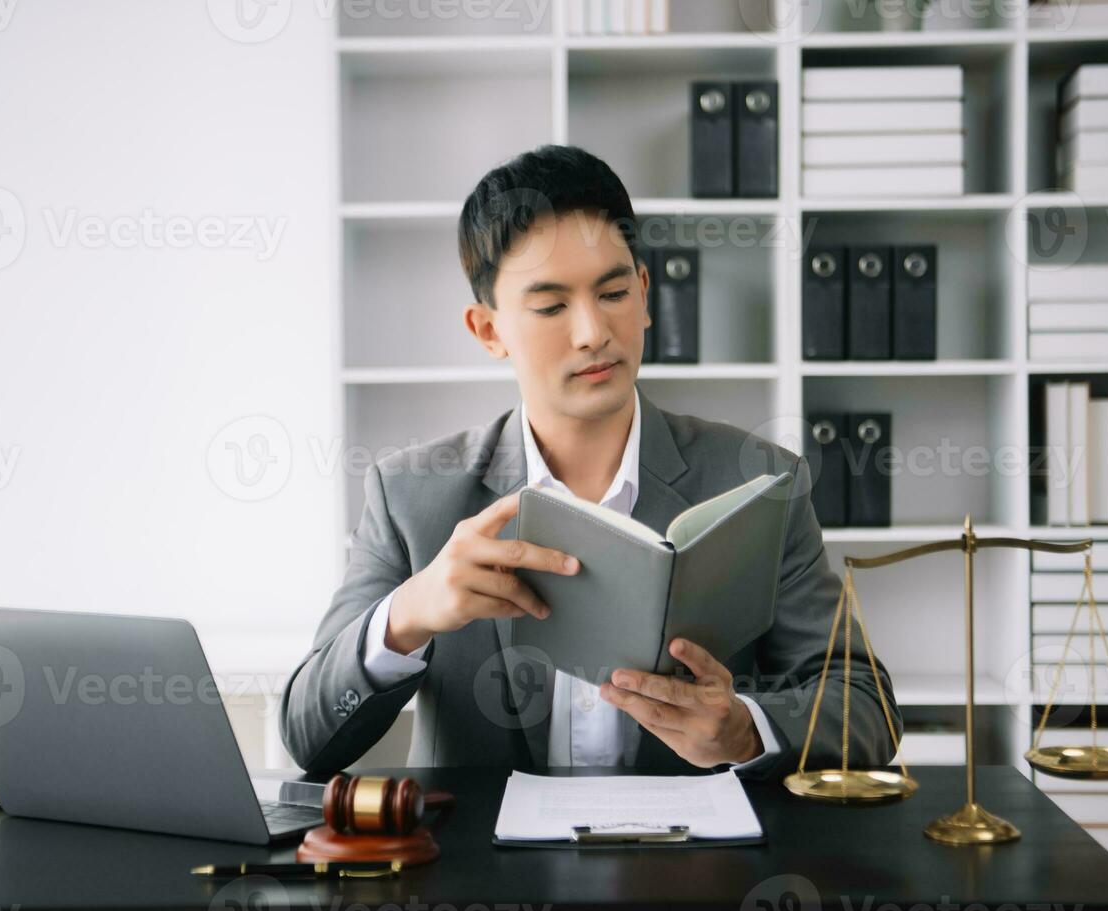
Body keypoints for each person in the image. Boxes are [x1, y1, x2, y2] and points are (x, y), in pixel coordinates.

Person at [280, 144, 899, 778]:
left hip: (696, 870)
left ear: (646, 294)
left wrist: (746, 730)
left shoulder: (760, 480)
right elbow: (307, 735)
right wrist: (407, 615)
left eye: (612, 292)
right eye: (551, 307)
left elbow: (867, 708)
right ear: (488, 331)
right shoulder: (410, 494)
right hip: (480, 873)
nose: (592, 332)